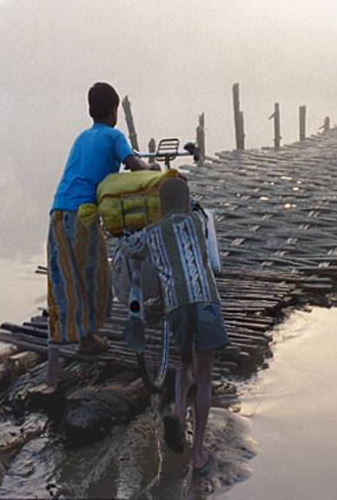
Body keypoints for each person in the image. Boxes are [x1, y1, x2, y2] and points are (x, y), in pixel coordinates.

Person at [46, 82, 155, 386]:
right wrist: (153, 170)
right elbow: (134, 166)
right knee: (94, 276)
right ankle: (88, 337)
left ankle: (56, 362)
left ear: (90, 110)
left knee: (63, 281)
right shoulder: (114, 136)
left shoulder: (82, 137)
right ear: (114, 111)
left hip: (58, 212)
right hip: (82, 215)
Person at [135, 177, 228, 475]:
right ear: (187, 203)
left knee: (183, 361)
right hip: (205, 300)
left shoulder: (151, 233)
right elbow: (199, 215)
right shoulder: (197, 222)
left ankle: (177, 409)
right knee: (205, 374)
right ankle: (198, 453)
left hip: (176, 305)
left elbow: (131, 250)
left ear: (160, 208)